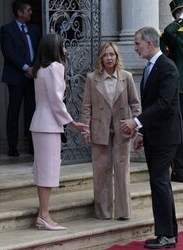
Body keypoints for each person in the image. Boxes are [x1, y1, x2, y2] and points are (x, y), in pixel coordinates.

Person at [120, 27, 182, 249]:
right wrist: (142, 133)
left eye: (137, 43)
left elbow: (164, 103)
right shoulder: (151, 67)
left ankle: (166, 235)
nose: (135, 48)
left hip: (166, 136)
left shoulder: (167, 67)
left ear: (149, 43)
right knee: (160, 183)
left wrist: (136, 122)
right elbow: (151, 103)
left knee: (159, 182)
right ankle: (169, 233)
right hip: (154, 135)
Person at [30, 33, 88, 231]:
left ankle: (42, 214)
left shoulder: (39, 69)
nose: (66, 50)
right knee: (48, 171)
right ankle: (45, 216)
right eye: (63, 46)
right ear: (55, 48)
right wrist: (73, 123)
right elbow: (56, 101)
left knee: (43, 170)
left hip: (39, 123)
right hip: (49, 125)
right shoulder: (56, 67)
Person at [81, 42, 141, 220]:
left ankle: (123, 212)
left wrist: (137, 125)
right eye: (105, 55)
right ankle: (103, 212)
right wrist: (85, 129)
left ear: (117, 57)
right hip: (100, 129)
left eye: (112, 55)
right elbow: (86, 107)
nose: (109, 58)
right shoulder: (92, 78)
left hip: (122, 129)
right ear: (101, 58)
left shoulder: (126, 77)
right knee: (101, 171)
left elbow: (135, 104)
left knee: (122, 170)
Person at [0, 0, 41, 157]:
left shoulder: (35, 29)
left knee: (33, 111)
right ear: (20, 13)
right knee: (14, 111)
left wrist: (34, 69)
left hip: (33, 77)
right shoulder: (7, 30)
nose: (31, 12)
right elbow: (8, 52)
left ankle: (32, 145)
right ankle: (12, 146)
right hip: (16, 76)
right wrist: (25, 68)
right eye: (28, 10)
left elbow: (39, 50)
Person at [160, 0, 183, 182]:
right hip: (179, 89)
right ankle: (179, 169)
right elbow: (167, 34)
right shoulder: (173, 33)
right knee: (179, 130)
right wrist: (180, 21)